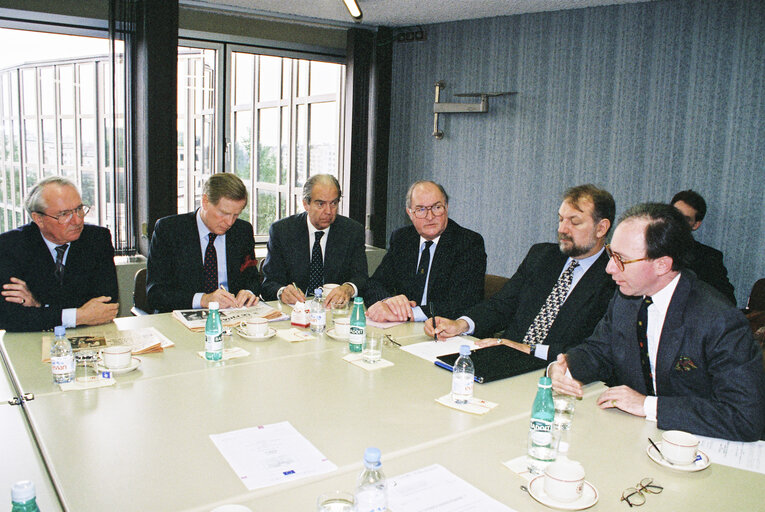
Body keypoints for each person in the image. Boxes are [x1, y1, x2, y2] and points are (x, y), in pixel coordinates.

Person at [550, 203, 765, 442]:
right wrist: (565, 368)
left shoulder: (718, 320)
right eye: (612, 254)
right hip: (636, 438)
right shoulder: (626, 299)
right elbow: (598, 351)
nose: (610, 268)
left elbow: (746, 418)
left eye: (621, 259)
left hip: (698, 446)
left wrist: (648, 406)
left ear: (662, 264)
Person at [426, 184, 616, 371]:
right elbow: (501, 305)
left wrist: (529, 349)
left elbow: (596, 350)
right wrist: (460, 324)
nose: (562, 229)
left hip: (558, 373)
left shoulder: (614, 280)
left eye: (574, 222)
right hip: (505, 362)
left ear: (601, 228)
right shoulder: (542, 256)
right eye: (560, 220)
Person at [0, 176, 119, 332]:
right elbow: (8, 318)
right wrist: (79, 315)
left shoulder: (97, 239)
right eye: (64, 214)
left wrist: (39, 305)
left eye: (79, 209)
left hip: (87, 336)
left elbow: (106, 307)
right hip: (32, 341)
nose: (77, 221)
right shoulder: (10, 245)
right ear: (38, 219)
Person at [364, 180, 486, 322]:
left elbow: (463, 303)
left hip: (446, 332)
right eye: (421, 209)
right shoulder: (402, 238)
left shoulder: (468, 243)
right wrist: (389, 302)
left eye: (437, 207)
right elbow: (375, 283)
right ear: (410, 213)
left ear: (446, 207)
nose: (430, 216)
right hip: (404, 328)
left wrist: (410, 313)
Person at [146, 173, 260, 313]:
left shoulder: (242, 231)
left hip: (233, 316)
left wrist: (248, 292)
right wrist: (203, 299)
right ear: (205, 202)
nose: (230, 222)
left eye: (236, 215)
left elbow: (252, 278)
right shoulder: (169, 230)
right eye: (223, 213)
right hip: (182, 319)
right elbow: (156, 293)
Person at [261, 174, 367, 307]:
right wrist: (282, 292)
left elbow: (361, 278)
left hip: (334, 311)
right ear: (306, 204)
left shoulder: (352, 231)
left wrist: (348, 288)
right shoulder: (282, 231)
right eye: (320, 204)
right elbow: (269, 283)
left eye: (333, 203)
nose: (328, 211)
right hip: (295, 312)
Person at [671, 190, 735, 304]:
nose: (677, 222)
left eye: (685, 219)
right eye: (675, 214)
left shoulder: (708, 258)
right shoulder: (644, 248)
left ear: (696, 225)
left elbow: (726, 301)